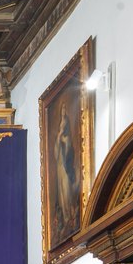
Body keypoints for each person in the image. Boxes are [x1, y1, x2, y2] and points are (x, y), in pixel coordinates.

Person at [53, 100, 80, 243]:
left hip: (65, 169)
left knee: (66, 192)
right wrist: (58, 139)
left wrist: (62, 141)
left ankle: (69, 216)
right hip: (60, 169)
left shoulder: (68, 138)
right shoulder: (60, 137)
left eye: (64, 123)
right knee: (62, 194)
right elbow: (56, 153)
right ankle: (66, 216)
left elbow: (68, 153)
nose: (62, 126)